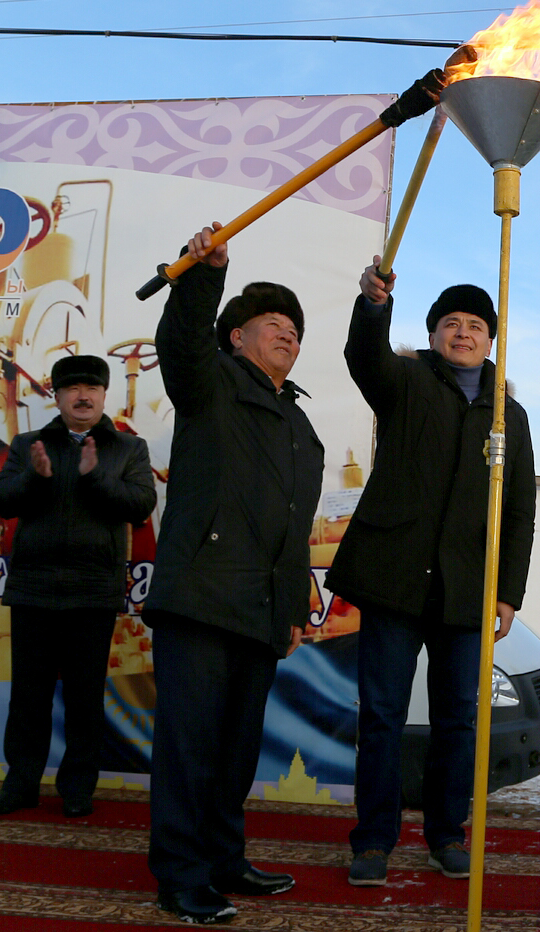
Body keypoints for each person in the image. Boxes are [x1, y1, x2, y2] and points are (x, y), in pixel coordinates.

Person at [327, 265, 536, 886]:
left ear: (490, 340)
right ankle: (373, 841)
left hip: (467, 589)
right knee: (383, 714)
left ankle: (447, 833)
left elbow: (520, 508)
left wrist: (507, 593)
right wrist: (371, 307)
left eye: (475, 325)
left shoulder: (510, 415)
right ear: (434, 333)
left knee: (458, 720)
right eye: (452, 323)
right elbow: (364, 357)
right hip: (394, 577)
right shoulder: (405, 380)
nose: (463, 333)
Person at [143, 224, 323, 924]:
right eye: (270, 325)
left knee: (236, 750)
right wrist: (204, 275)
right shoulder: (210, 381)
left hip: (259, 609)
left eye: (293, 330)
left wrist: (291, 611)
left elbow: (290, 530)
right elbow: (181, 343)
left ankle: (222, 857)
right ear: (237, 338)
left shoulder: (298, 425)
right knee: (190, 748)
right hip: (201, 596)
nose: (286, 335)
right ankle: (181, 875)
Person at [0, 353, 156, 819]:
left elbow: (140, 503)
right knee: (29, 696)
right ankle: (20, 784)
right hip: (34, 587)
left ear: (104, 395)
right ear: (56, 397)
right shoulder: (28, 443)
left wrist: (94, 477)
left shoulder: (127, 449)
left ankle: (78, 788)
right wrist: (37, 480)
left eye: (92, 389)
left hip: (93, 590)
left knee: (85, 697)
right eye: (73, 388)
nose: (83, 396)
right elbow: (0, 500)